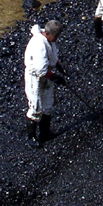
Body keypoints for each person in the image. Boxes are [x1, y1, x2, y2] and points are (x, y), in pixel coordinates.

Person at [23, 19, 67, 149]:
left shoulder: (49, 41)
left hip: (47, 76)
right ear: (48, 33)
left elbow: (53, 55)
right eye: (56, 36)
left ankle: (45, 133)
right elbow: (41, 70)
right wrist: (56, 78)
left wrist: (58, 66)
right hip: (35, 78)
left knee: (48, 104)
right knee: (35, 106)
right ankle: (31, 137)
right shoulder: (39, 45)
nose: (57, 39)